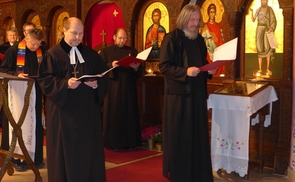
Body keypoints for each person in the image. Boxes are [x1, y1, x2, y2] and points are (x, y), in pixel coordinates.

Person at [38, 17, 108, 182]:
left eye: (81, 33)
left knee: (87, 152)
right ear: (64, 31)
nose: (78, 37)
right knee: (65, 154)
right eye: (74, 33)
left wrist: (96, 84)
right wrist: (64, 84)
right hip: (64, 115)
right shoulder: (52, 54)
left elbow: (104, 76)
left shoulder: (91, 55)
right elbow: (45, 80)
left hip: (87, 114)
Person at [159, 4, 216, 181]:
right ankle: (181, 173)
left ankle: (198, 172)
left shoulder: (199, 39)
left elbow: (201, 64)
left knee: (197, 134)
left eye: (197, 20)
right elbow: (164, 66)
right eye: (191, 20)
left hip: (197, 95)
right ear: (183, 19)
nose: (195, 23)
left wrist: (209, 71)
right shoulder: (172, 38)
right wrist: (185, 72)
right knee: (181, 135)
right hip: (179, 96)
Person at [0, 28, 46, 171]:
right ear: (26, 38)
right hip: (17, 94)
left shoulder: (41, 50)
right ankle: (17, 159)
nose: (35, 47)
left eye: (38, 44)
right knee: (17, 126)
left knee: (35, 124)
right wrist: (16, 75)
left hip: (35, 93)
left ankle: (35, 158)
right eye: (33, 44)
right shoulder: (13, 51)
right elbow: (3, 70)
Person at [100, 28, 142, 151]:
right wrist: (111, 65)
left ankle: (130, 142)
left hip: (129, 88)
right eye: (120, 38)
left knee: (129, 114)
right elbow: (100, 69)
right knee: (114, 114)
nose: (123, 41)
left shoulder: (132, 51)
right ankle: (113, 143)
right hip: (113, 88)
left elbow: (139, 72)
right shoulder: (106, 51)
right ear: (114, 37)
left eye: (124, 38)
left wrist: (135, 68)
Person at [250, 0, 277, 75]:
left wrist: (271, 29)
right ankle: (260, 69)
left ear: (267, 1)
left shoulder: (269, 9)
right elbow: (253, 19)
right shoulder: (258, 10)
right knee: (259, 48)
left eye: (264, 0)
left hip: (266, 30)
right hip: (259, 29)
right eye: (262, 0)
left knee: (267, 48)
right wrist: (251, 12)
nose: (263, 2)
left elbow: (273, 20)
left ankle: (268, 68)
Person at [200, 3, 225, 76]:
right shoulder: (205, 26)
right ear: (208, 13)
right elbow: (203, 40)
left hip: (217, 50)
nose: (212, 14)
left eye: (213, 12)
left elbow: (220, 40)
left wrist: (219, 49)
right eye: (211, 12)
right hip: (208, 51)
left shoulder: (217, 26)